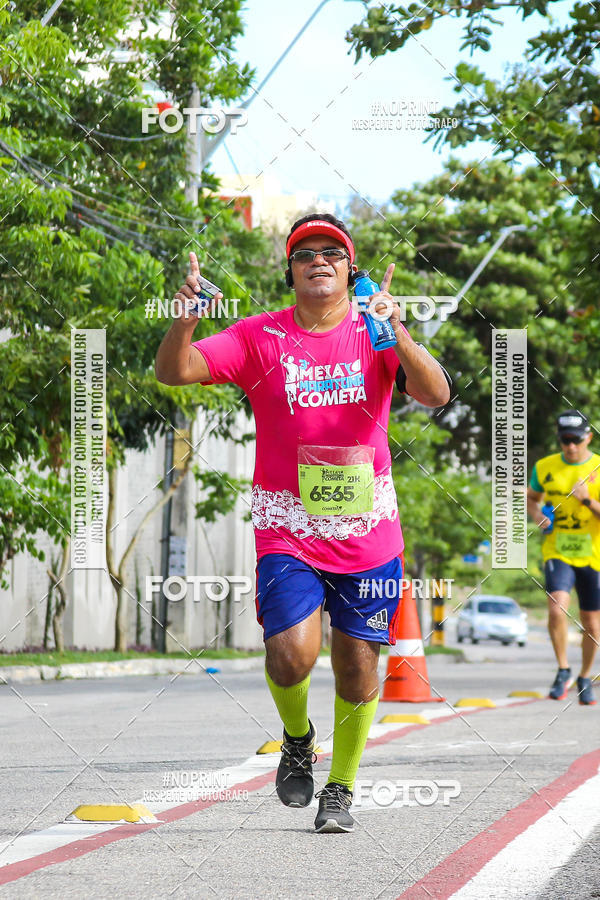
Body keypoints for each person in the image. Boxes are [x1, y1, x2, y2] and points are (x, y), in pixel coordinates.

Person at [155, 213, 451, 832]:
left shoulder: (376, 332)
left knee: (358, 664)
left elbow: (435, 393)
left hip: (367, 530)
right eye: (305, 253)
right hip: (288, 526)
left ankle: (340, 788)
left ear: (350, 268)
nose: (319, 260)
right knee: (290, 655)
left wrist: (396, 329)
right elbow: (174, 372)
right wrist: (184, 321)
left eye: (332, 253)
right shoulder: (259, 335)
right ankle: (297, 738)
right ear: (289, 270)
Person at [527, 410, 600, 705]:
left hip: (593, 555)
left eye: (576, 440)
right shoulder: (545, 466)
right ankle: (563, 669)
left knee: (591, 624)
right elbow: (531, 498)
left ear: (589, 437)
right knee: (557, 610)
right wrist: (538, 516)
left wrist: (587, 500)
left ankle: (585, 676)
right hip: (557, 550)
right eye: (564, 440)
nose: (570, 446)